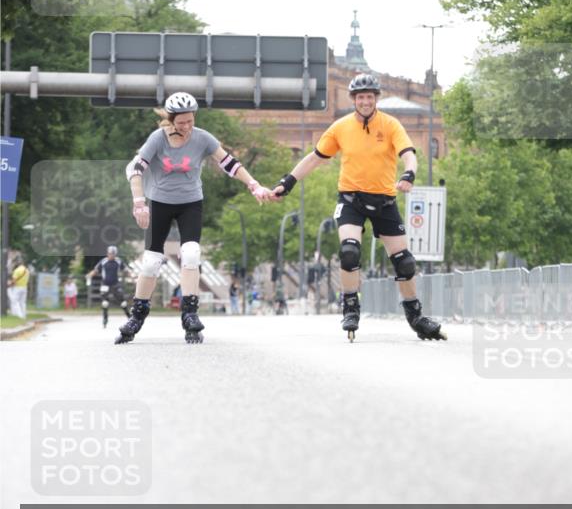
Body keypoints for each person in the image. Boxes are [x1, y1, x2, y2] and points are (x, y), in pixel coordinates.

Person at [271, 73, 446, 341]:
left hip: (385, 200)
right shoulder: (340, 127)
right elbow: (315, 158)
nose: (365, 102)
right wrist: (288, 182)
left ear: (376, 98)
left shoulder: (390, 124)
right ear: (354, 99)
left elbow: (409, 154)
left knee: (404, 262)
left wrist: (409, 174)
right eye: (361, 97)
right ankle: (350, 307)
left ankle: (415, 316)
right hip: (351, 199)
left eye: (370, 97)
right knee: (349, 252)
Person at [118, 91, 273, 345]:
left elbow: (230, 163)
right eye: (181, 122)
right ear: (171, 120)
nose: (187, 127)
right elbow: (135, 169)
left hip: (190, 203)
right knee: (151, 262)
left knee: (191, 253)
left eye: (190, 121)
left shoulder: (203, 138)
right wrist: (139, 203)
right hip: (160, 202)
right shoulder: (157, 139)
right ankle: (137, 316)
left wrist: (253, 185)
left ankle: (189, 314)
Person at [86, 246, 131, 327]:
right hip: (105, 284)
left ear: (115, 254)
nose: (111, 255)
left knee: (123, 302)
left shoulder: (119, 261)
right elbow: (96, 270)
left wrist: (132, 276)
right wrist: (89, 275)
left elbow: (126, 270)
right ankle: (105, 319)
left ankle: (129, 317)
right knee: (105, 303)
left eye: (113, 254)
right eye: (110, 253)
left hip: (115, 284)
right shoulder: (103, 261)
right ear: (107, 253)